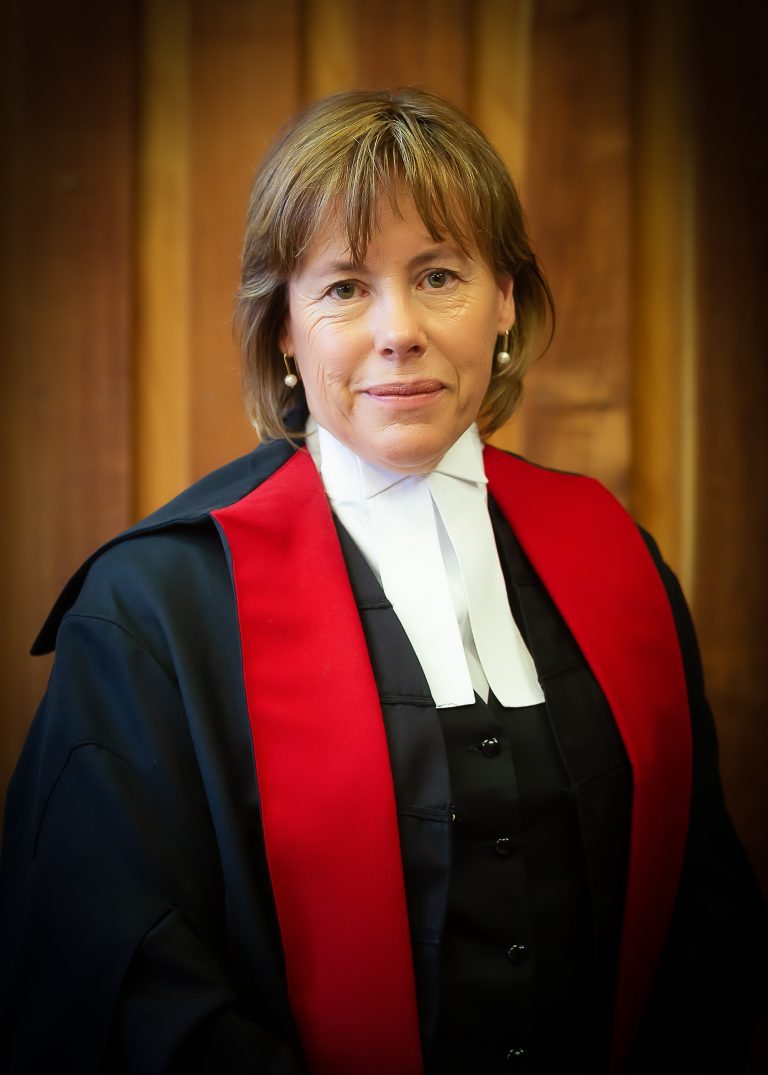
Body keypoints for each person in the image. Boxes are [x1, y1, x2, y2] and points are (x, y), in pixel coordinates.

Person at [0, 88, 765, 1075]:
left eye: (439, 275)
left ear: (505, 300)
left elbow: (705, 915)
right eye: (345, 288)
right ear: (285, 327)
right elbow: (115, 976)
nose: (397, 330)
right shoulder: (153, 611)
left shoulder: (619, 562)